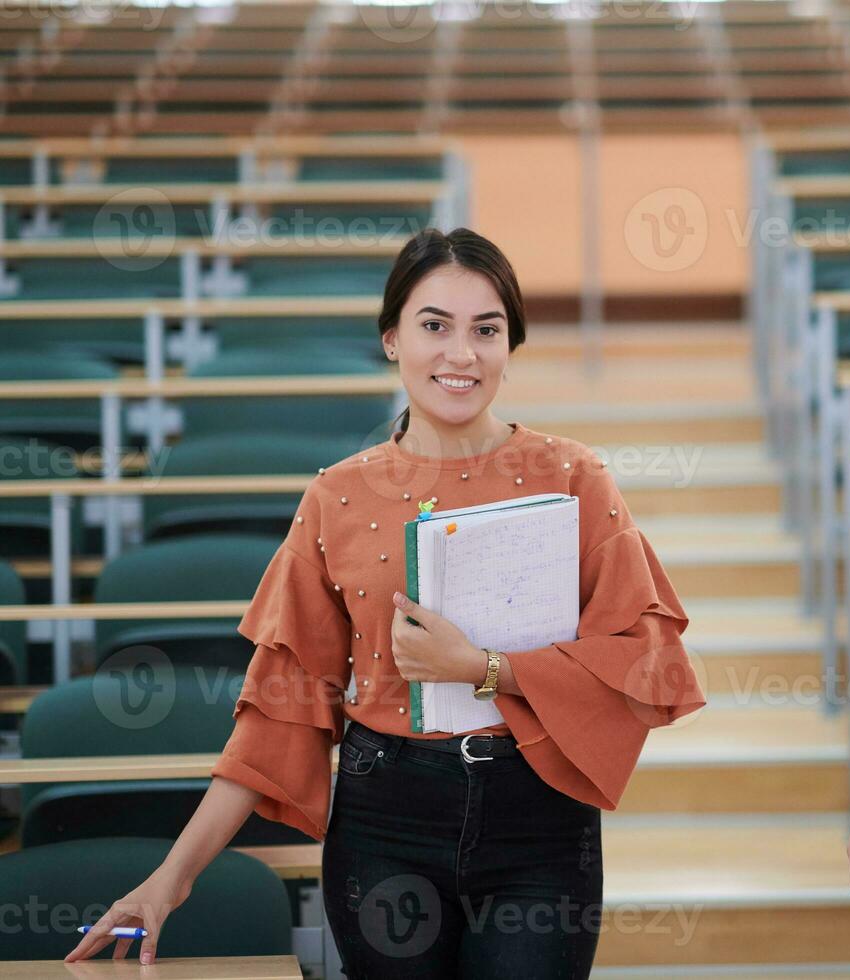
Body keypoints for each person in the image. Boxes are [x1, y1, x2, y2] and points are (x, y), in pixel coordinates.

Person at [66, 227, 707, 976]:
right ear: (392, 339)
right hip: (385, 823)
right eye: (434, 326)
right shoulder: (335, 494)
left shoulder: (572, 475)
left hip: (539, 822)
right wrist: (168, 882)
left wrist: (485, 668)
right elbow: (280, 706)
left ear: (510, 346)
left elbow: (646, 658)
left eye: (487, 330)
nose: (461, 354)